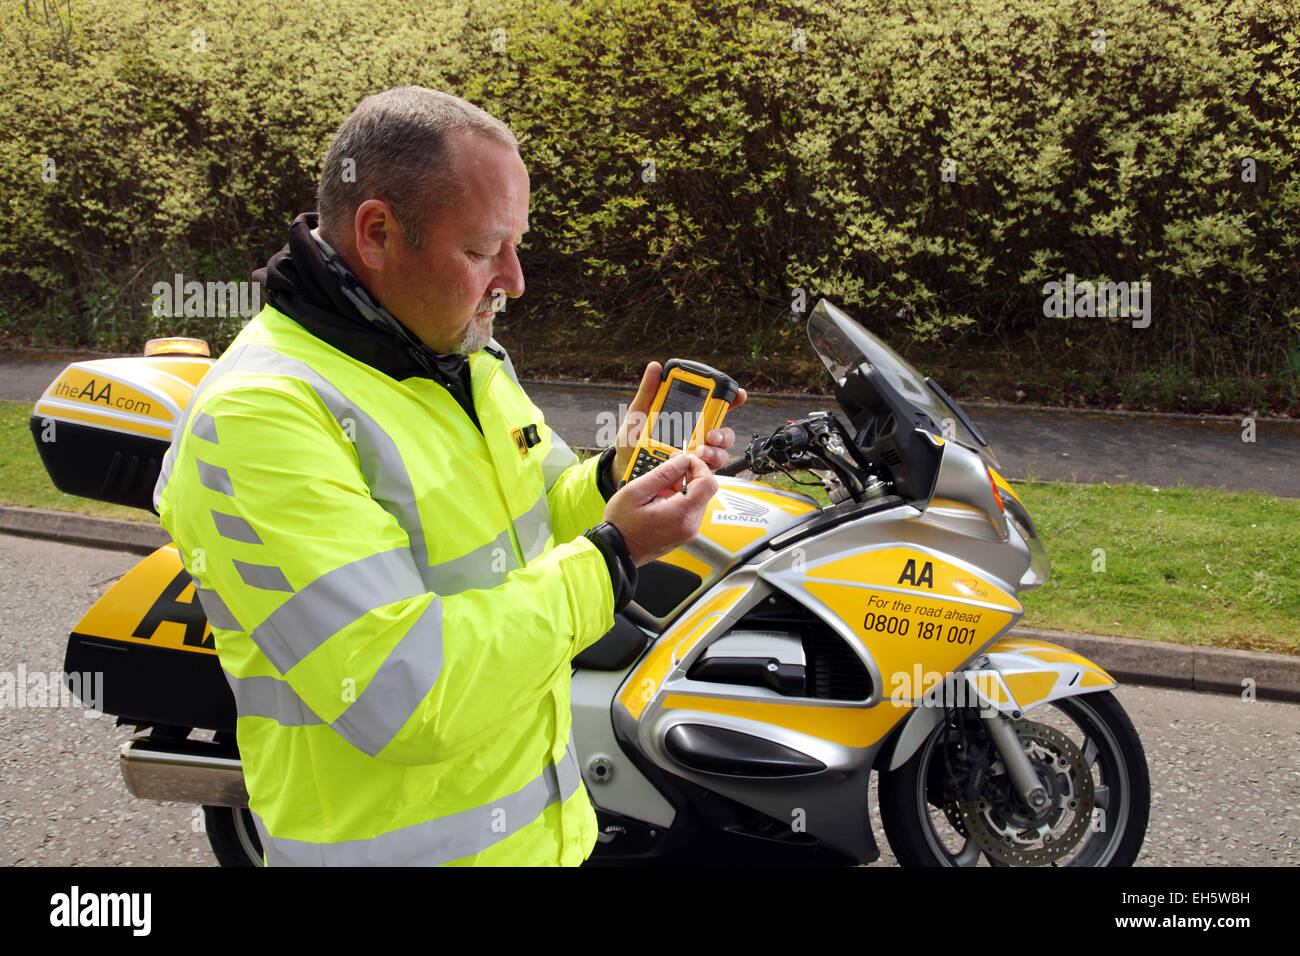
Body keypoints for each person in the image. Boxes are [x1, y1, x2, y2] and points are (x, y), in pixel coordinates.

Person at [153, 87, 743, 866]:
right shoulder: (261, 415)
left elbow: (532, 521)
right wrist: (615, 555)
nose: (515, 279)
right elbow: (404, 694)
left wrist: (613, 483)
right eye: (482, 250)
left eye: (516, 244)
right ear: (377, 233)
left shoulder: (459, 355)